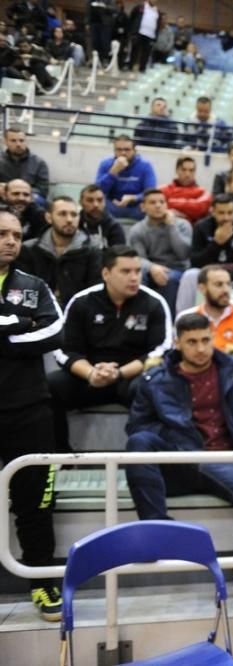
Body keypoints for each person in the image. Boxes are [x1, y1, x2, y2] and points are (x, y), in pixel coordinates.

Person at [124, 312, 233, 592]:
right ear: (178, 343)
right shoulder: (155, 379)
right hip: (180, 460)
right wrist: (178, 440)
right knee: (139, 442)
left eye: (205, 340)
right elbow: (138, 425)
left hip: (226, 457)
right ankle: (157, 530)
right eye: (192, 342)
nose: (200, 348)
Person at [0, 209, 64, 621]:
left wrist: (6, 334)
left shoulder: (34, 285)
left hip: (28, 410)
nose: (10, 241)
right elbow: (30, 330)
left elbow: (55, 331)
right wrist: (14, 324)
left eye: (17, 235)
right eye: (2, 233)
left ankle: (41, 580)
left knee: (36, 503)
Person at [48, 245, 171, 452]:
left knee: (151, 386)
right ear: (106, 273)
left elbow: (161, 349)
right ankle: (60, 459)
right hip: (89, 377)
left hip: (131, 377)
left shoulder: (154, 302)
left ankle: (142, 457)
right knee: (50, 386)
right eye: (126, 271)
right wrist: (90, 373)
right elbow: (64, 350)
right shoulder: (82, 302)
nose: (134, 277)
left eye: (138, 271)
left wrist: (119, 373)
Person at [175, 194, 233, 313]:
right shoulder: (201, 227)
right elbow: (195, 261)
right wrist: (216, 243)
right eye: (221, 213)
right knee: (190, 275)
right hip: (209, 278)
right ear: (212, 211)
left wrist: (227, 278)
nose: (226, 217)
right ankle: (183, 320)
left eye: (230, 213)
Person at [16, 196, 102, 307]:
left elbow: (94, 292)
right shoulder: (29, 249)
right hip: (37, 314)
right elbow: (23, 290)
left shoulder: (92, 250)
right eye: (62, 214)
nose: (69, 220)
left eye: (74, 215)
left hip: (77, 316)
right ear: (48, 217)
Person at [127, 188, 192, 314]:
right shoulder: (137, 230)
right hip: (150, 268)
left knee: (170, 279)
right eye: (152, 202)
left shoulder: (183, 225)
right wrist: (152, 267)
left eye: (162, 202)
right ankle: (137, 316)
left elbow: (183, 254)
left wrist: (171, 227)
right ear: (143, 207)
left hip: (178, 268)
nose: (158, 206)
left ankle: (166, 319)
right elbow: (136, 258)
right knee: (137, 277)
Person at [176, 264, 233, 366]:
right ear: (202, 288)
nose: (226, 290)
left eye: (228, 284)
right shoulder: (185, 317)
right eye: (219, 285)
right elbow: (179, 358)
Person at [95, 135, 158, 220]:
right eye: (119, 150)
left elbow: (151, 192)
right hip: (112, 206)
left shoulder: (145, 165)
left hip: (137, 208)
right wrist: (113, 172)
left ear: (134, 151)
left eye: (127, 150)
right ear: (114, 151)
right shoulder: (106, 164)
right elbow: (98, 191)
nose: (123, 153)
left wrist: (134, 198)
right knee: (97, 203)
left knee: (152, 204)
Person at [0, 126, 48, 200]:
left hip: (29, 198)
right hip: (3, 197)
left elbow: (43, 189)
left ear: (26, 141)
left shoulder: (38, 163)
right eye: (13, 141)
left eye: (21, 140)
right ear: (5, 142)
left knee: (39, 200)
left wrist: (23, 190)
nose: (18, 144)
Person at [160, 155, 212, 222]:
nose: (187, 174)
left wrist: (170, 202)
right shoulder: (162, 190)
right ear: (176, 170)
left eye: (191, 170)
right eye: (183, 170)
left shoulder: (203, 193)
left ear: (195, 172)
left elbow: (199, 209)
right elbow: (157, 209)